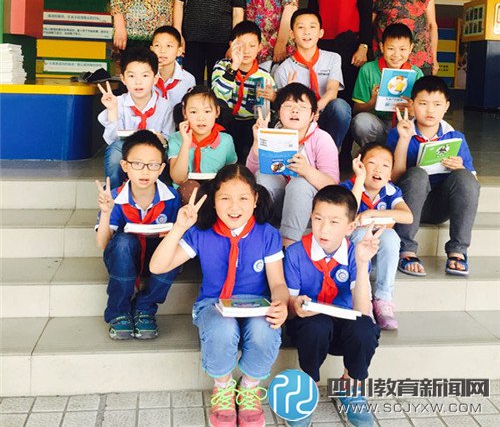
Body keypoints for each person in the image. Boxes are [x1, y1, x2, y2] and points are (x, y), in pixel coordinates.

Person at [150, 164, 288, 427]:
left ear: (256, 199)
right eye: (225, 198)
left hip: (257, 306)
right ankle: (223, 388)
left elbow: (278, 283)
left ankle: (249, 388)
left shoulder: (267, 234)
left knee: (265, 329)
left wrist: (281, 303)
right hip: (213, 305)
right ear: (213, 200)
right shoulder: (202, 232)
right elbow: (157, 267)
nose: (234, 207)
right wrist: (179, 227)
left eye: (243, 198)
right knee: (223, 328)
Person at [284, 185, 381, 427]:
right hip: (309, 327)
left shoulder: (355, 253)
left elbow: (362, 312)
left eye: (334, 222)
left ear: (350, 227)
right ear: (311, 217)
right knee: (316, 324)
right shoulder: (296, 253)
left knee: (365, 328)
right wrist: (297, 305)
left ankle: (350, 386)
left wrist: (361, 263)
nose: (324, 228)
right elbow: (289, 306)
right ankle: (307, 389)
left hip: (343, 328)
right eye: (318, 219)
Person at [387, 76, 480, 277]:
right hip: (406, 205)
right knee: (417, 174)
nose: (430, 110)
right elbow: (393, 179)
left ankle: (458, 250)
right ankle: (406, 249)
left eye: (437, 104)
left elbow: (473, 185)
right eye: (423, 104)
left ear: (446, 107)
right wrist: (404, 140)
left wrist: (460, 167)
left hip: (440, 207)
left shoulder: (455, 137)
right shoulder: (398, 132)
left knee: (465, 177)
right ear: (412, 105)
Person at [95, 130, 180, 340]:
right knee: (123, 241)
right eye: (137, 164)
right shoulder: (114, 197)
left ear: (162, 168)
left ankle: (145, 308)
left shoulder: (171, 197)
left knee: (175, 246)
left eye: (153, 165)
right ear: (125, 166)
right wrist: (106, 213)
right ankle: (119, 310)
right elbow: (103, 244)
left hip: (156, 257)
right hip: (124, 258)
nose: (145, 171)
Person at [247, 83, 339, 248]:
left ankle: (288, 243)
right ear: (278, 112)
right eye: (288, 106)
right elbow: (250, 176)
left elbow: (333, 186)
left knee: (300, 183)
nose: (295, 111)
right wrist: (257, 141)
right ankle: (260, 232)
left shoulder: (322, 139)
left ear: (312, 115)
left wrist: (307, 171)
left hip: (309, 208)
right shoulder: (271, 135)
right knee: (263, 175)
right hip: (277, 204)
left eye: (302, 107)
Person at [341, 146, 413, 330]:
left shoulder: (390, 191)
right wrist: (359, 180)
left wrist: (374, 214)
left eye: (385, 166)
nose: (378, 169)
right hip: (352, 250)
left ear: (390, 174)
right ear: (359, 165)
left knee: (391, 236)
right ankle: (362, 296)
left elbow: (407, 216)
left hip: (377, 247)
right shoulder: (347, 187)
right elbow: (349, 216)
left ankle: (383, 299)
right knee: (360, 233)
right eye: (371, 163)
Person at [274, 9, 352, 150]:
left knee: (341, 107)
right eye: (301, 27)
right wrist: (292, 95)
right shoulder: (284, 69)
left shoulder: (333, 58)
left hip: (324, 113)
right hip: (300, 119)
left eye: (312, 27)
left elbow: (332, 92)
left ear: (321, 32)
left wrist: (314, 109)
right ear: (292, 34)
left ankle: (331, 152)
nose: (307, 32)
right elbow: (284, 108)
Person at [97, 47, 174, 190]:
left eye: (145, 76)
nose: (138, 82)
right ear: (123, 79)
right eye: (131, 76)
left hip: (155, 150)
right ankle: (113, 195)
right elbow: (111, 141)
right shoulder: (118, 102)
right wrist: (112, 110)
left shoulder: (165, 105)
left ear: (155, 79)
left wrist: (161, 139)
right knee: (114, 152)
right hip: (126, 150)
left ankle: (163, 195)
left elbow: (170, 138)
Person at [212, 21, 276, 162]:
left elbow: (269, 111)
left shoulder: (264, 76)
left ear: (259, 47)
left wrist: (274, 98)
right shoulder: (222, 66)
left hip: (249, 125)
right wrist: (234, 66)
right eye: (241, 46)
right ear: (232, 45)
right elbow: (218, 95)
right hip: (226, 122)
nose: (246, 51)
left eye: (252, 46)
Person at [351, 23, 424, 147]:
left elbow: (423, 110)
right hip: (378, 125)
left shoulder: (416, 73)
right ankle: (371, 152)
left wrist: (413, 111)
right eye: (391, 48)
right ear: (382, 47)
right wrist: (371, 102)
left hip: (405, 125)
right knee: (361, 121)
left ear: (410, 48)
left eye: (402, 49)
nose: (396, 55)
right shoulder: (368, 70)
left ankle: (405, 154)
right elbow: (356, 110)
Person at [168, 86, 237, 196]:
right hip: (186, 195)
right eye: (193, 112)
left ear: (217, 112)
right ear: (184, 113)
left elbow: (232, 175)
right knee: (190, 189)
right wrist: (186, 143)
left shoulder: (226, 140)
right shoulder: (176, 139)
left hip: (217, 192)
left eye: (207, 111)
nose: (201, 118)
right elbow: (178, 179)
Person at [150, 25, 195, 106]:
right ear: (151, 49)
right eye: (157, 45)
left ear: (179, 51)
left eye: (169, 46)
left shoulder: (188, 80)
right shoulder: (145, 77)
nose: (162, 50)